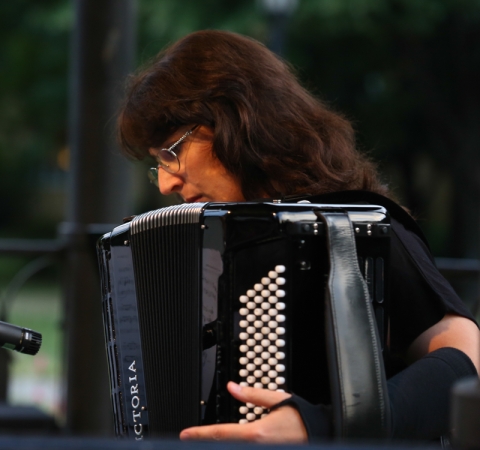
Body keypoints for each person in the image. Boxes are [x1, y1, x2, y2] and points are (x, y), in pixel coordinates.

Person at [116, 30, 480, 443]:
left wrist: (323, 425)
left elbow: (468, 357)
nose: (165, 183)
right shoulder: (201, 245)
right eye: (157, 164)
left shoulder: (351, 227)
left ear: (236, 119)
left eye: (171, 151)